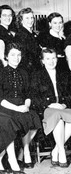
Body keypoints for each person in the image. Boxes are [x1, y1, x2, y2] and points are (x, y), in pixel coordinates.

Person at [30, 48, 71, 168]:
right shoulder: (37, 75)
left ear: (57, 59)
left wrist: (64, 104)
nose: (51, 61)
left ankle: (55, 150)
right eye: (47, 59)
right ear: (43, 61)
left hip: (63, 106)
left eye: (53, 58)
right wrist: (50, 104)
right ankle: (61, 152)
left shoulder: (64, 74)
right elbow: (34, 97)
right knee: (59, 120)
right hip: (47, 108)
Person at [0, 43, 42, 172]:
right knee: (9, 123)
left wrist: (26, 105)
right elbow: (0, 98)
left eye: (19, 55)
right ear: (6, 56)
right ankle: (12, 160)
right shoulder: (1, 72)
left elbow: (29, 93)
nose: (16, 58)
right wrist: (17, 108)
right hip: (5, 107)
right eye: (12, 55)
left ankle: (25, 149)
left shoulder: (24, 72)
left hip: (21, 105)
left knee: (33, 117)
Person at [15, 8, 42, 74]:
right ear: (21, 20)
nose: (30, 20)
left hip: (34, 68)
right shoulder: (21, 34)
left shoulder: (32, 33)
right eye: (27, 18)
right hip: (28, 70)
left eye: (32, 18)